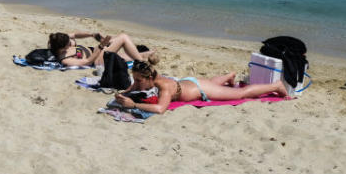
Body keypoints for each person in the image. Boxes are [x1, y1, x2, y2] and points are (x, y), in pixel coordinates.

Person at [112, 59, 289, 114]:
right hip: (189, 82)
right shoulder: (148, 76)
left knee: (241, 93)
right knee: (211, 83)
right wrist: (124, 93)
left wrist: (133, 104)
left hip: (199, 90)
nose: (137, 83)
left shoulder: (164, 88)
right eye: (135, 79)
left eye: (140, 80)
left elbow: (160, 109)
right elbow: (134, 85)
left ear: (150, 78)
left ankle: (277, 85)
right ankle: (229, 76)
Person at [48, 31, 156, 67]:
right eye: (68, 43)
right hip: (98, 60)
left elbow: (75, 34)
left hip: (97, 51)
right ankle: (142, 64)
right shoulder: (65, 59)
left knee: (143, 54)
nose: (71, 43)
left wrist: (91, 34)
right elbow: (87, 61)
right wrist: (101, 47)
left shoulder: (57, 40)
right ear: (62, 48)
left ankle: (145, 56)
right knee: (123, 37)